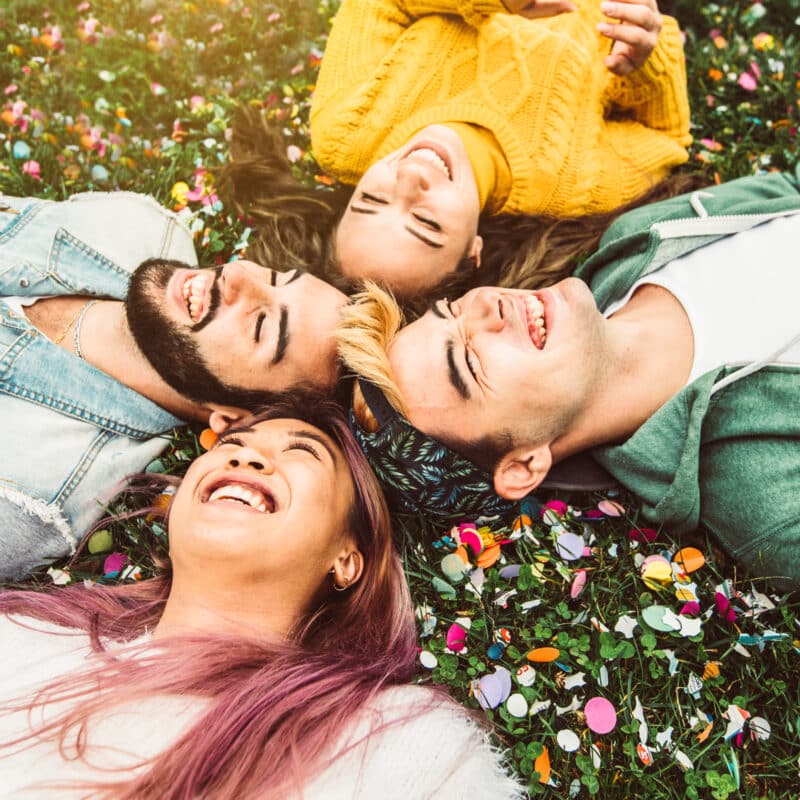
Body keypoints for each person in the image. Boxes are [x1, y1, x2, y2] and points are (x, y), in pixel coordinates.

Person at [0, 402, 524, 799]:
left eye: (302, 453)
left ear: (347, 559)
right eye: (232, 444)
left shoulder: (398, 743)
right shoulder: (21, 638)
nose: (245, 454)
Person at [336, 166, 800, 589]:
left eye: (453, 310)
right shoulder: (765, 504)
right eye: (470, 364)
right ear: (523, 466)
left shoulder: (639, 237)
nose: (484, 305)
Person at [224, 0, 691, 302]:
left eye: (370, 201)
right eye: (427, 223)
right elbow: (665, 137)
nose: (410, 180)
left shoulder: (348, 134)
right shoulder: (570, 187)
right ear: (473, 250)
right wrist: (645, 57)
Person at [0, 192, 347, 580]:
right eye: (275, 277)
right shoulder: (146, 227)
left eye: (261, 325)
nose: (237, 275)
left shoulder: (37, 490)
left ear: (233, 419)